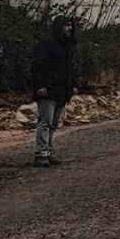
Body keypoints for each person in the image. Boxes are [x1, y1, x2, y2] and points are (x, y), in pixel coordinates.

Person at [31, 16, 80, 168]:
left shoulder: (69, 46)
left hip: (62, 91)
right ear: (59, 27)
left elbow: (71, 68)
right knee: (45, 122)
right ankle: (41, 154)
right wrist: (40, 86)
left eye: (71, 25)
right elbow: (37, 66)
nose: (69, 28)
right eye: (66, 25)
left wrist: (73, 85)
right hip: (48, 90)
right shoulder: (46, 45)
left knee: (53, 124)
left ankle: (48, 152)